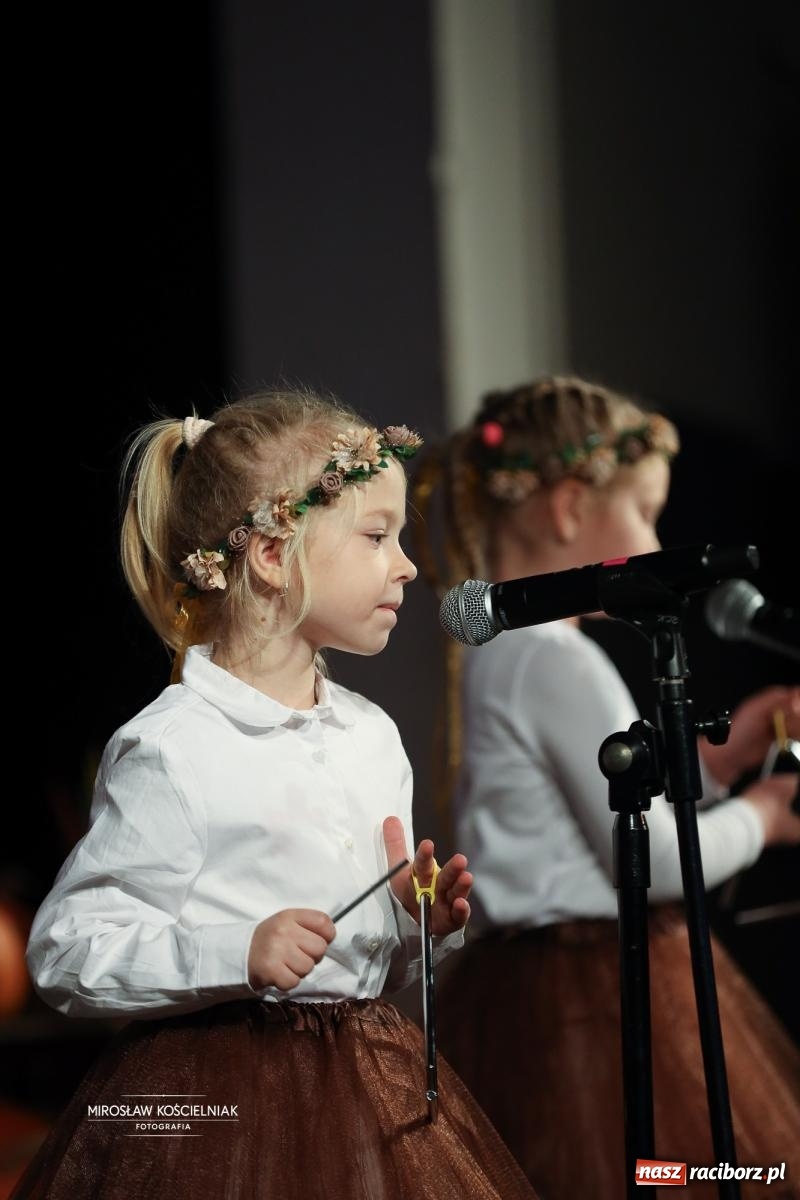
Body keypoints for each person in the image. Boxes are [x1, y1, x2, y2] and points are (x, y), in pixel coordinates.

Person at [14, 389, 538, 1200]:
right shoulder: (175, 746)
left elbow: (362, 968)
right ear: (268, 554)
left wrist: (413, 923)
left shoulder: (370, 735)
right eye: (375, 536)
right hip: (222, 1113)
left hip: (366, 1093)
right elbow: (66, 951)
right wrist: (238, 951)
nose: (406, 563)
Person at [413, 375, 800, 1199]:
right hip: (588, 996)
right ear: (568, 508)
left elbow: (600, 801)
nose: (656, 537)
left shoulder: (508, 653)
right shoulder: (553, 657)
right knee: (655, 1173)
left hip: (536, 984)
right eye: (647, 512)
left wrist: (718, 765)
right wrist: (764, 817)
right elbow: (652, 859)